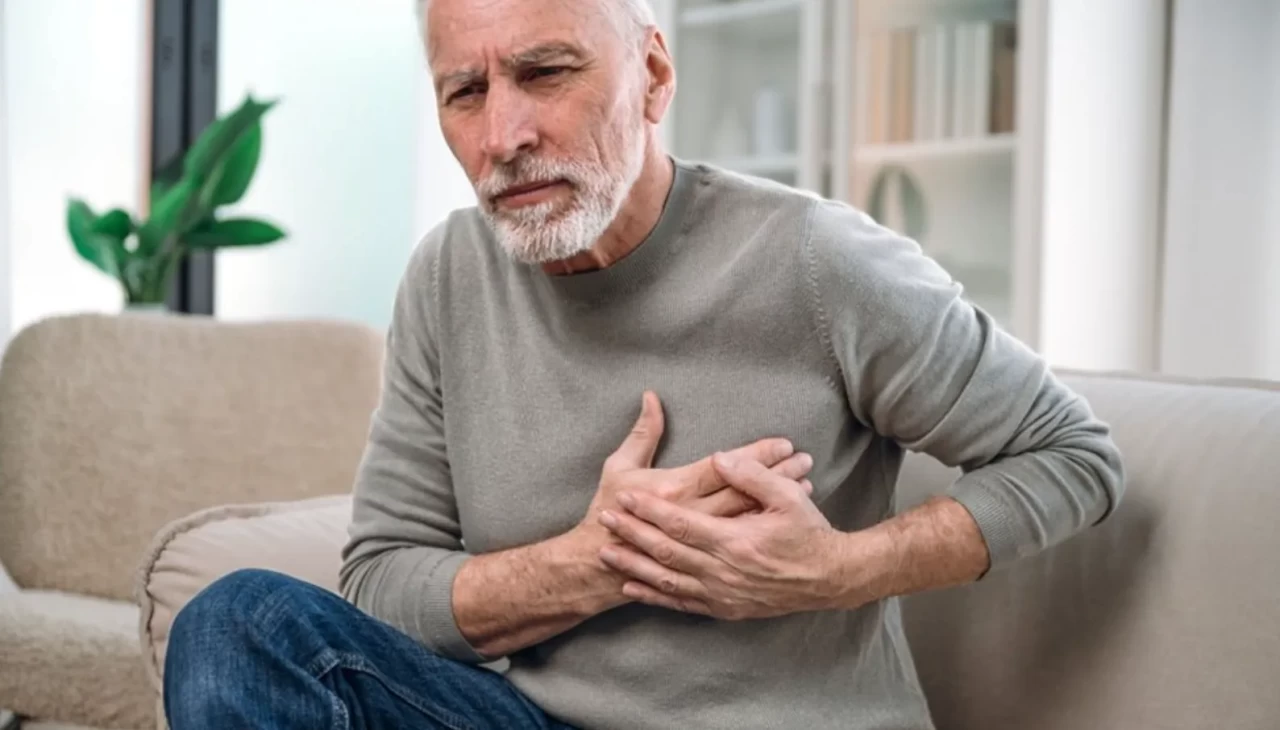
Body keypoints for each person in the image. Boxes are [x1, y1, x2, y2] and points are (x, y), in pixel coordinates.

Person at [161, 0, 1125, 727]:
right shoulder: (449, 275)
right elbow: (380, 585)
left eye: (545, 73)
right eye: (466, 92)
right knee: (241, 623)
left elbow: (1072, 455)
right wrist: (596, 562)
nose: (503, 137)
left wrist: (836, 570)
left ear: (654, 76)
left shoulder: (817, 260)